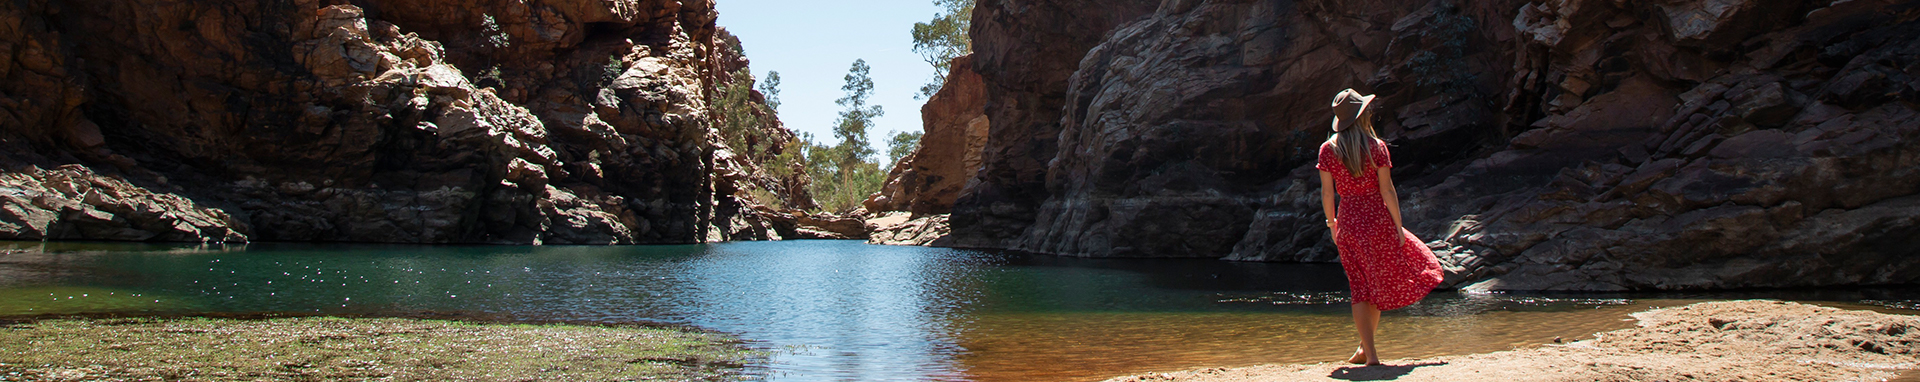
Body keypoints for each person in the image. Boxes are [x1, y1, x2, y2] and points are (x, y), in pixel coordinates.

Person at [1316, 88, 1444, 366]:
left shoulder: (1328, 149)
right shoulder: (1377, 147)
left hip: (1348, 221)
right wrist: (1398, 226)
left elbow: (1328, 194)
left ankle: (1367, 351)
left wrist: (1331, 225)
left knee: (1361, 288)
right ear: (1362, 115)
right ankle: (1368, 351)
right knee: (1374, 284)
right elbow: (1387, 190)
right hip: (1377, 220)